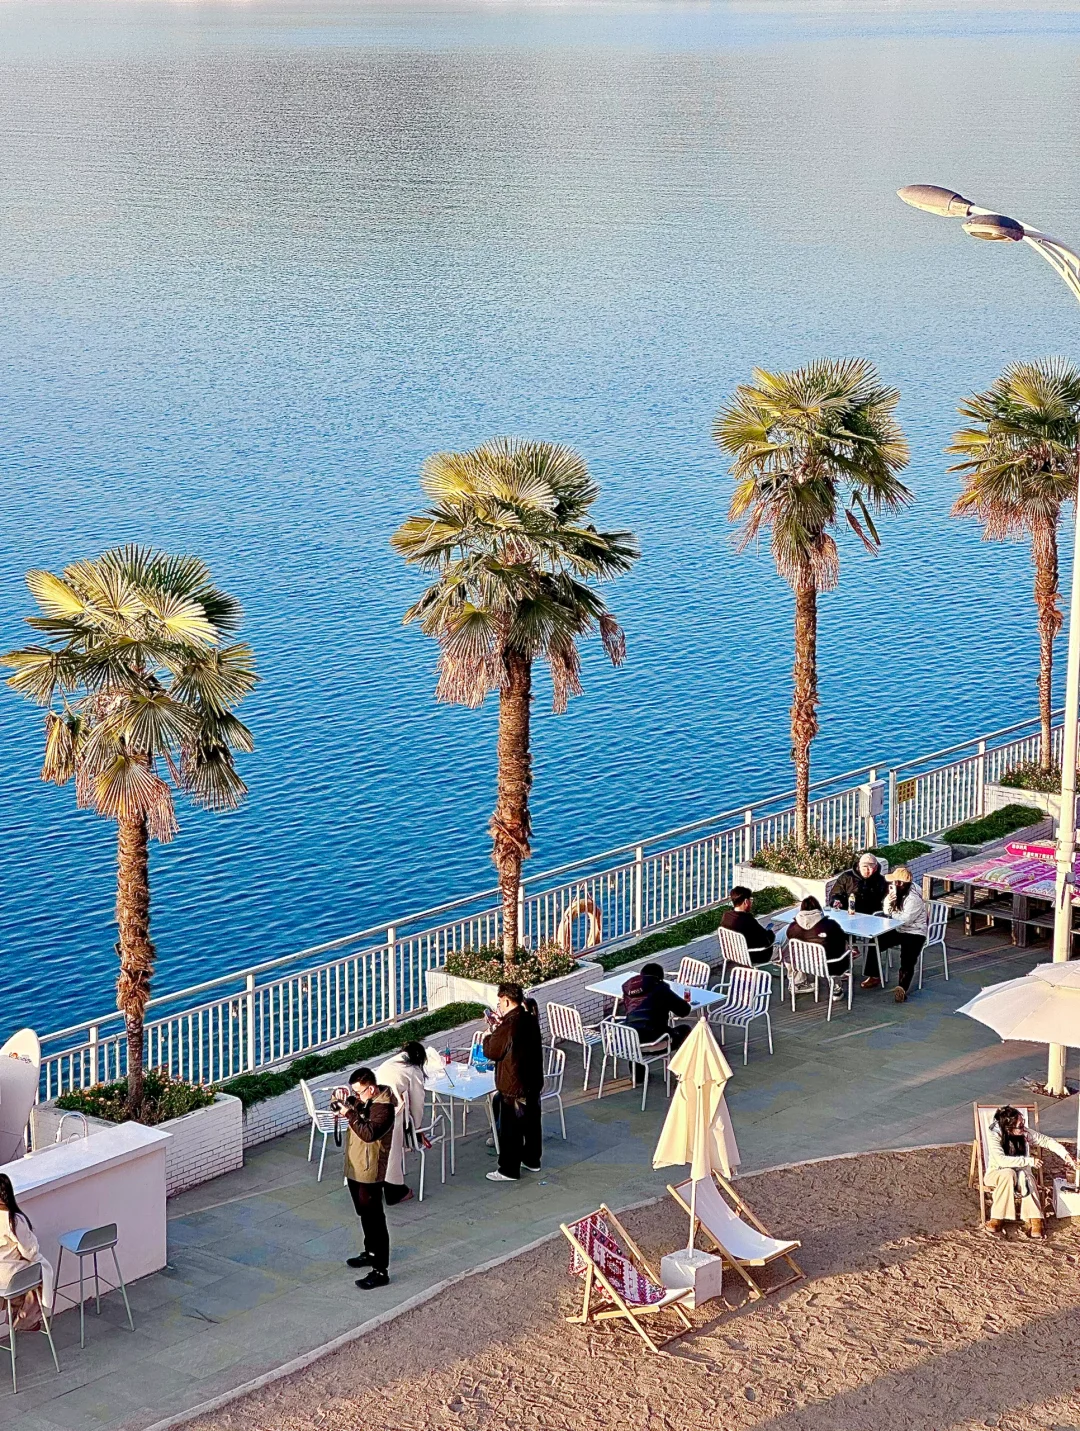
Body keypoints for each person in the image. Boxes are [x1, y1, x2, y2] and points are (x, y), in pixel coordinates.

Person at [333, 1067, 396, 1289]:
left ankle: (380, 1270)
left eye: (359, 1092)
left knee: (375, 1218)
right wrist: (343, 1100)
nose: (357, 1096)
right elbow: (353, 1107)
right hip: (356, 1167)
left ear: (371, 1088)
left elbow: (369, 1134)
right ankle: (370, 1252)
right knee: (364, 1214)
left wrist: (349, 1113)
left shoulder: (384, 1108)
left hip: (370, 1170)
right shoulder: (365, 1101)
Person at [482, 982, 544, 1183]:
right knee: (532, 1124)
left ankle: (509, 1169)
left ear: (507, 1000)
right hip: (532, 1080)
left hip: (514, 1084)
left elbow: (492, 1051)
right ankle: (532, 1160)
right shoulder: (529, 1019)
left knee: (512, 1129)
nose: (499, 1006)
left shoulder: (509, 1025)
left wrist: (489, 1034)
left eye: (500, 1002)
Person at [984, 1105, 1077, 1238]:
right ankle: (997, 1217)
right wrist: (1028, 1161)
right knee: (1008, 1174)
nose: (1024, 1128)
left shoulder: (1023, 1133)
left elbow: (1046, 1141)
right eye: (1020, 1126)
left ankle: (1034, 1219)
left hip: (1020, 1173)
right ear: (1008, 1128)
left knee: (1025, 1177)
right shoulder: (995, 1135)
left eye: (1024, 1124)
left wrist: (1066, 1155)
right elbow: (1001, 1161)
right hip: (997, 1173)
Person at [374, 1041, 429, 1206]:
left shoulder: (388, 1063)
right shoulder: (413, 1070)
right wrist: (417, 1127)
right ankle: (394, 1192)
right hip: (392, 1112)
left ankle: (375, 1188)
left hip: (374, 1107)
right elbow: (418, 1102)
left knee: (378, 1150)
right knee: (392, 1154)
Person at [0, 1174, 52, 1331]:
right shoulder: (13, 1219)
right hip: (10, 1278)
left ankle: (18, 1315)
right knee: (39, 1275)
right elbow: (30, 1251)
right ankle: (26, 1320)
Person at [868, 866, 927, 1001]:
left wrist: (893, 913)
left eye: (894, 882)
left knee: (907, 958)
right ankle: (873, 975)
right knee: (874, 942)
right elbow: (887, 911)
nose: (891, 884)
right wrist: (889, 900)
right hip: (899, 929)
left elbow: (905, 920)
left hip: (915, 932)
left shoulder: (913, 899)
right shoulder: (897, 894)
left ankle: (902, 988)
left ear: (900, 883)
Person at [785, 896, 850, 998]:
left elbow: (789, 938)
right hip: (827, 965)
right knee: (838, 949)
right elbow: (842, 938)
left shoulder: (793, 927)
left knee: (792, 952)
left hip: (802, 964)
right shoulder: (830, 925)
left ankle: (798, 983)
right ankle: (836, 988)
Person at [621, 962, 693, 1050]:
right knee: (685, 1030)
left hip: (630, 1040)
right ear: (660, 978)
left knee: (641, 1036)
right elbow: (684, 1011)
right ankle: (683, 1063)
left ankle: (637, 1062)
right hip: (653, 1041)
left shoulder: (628, 993)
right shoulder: (661, 989)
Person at [720, 887, 776, 964]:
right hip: (755, 956)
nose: (751, 902)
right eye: (750, 900)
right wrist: (771, 933)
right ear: (746, 901)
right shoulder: (747, 920)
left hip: (734, 954)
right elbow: (765, 939)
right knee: (785, 934)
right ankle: (791, 972)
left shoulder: (726, 916)